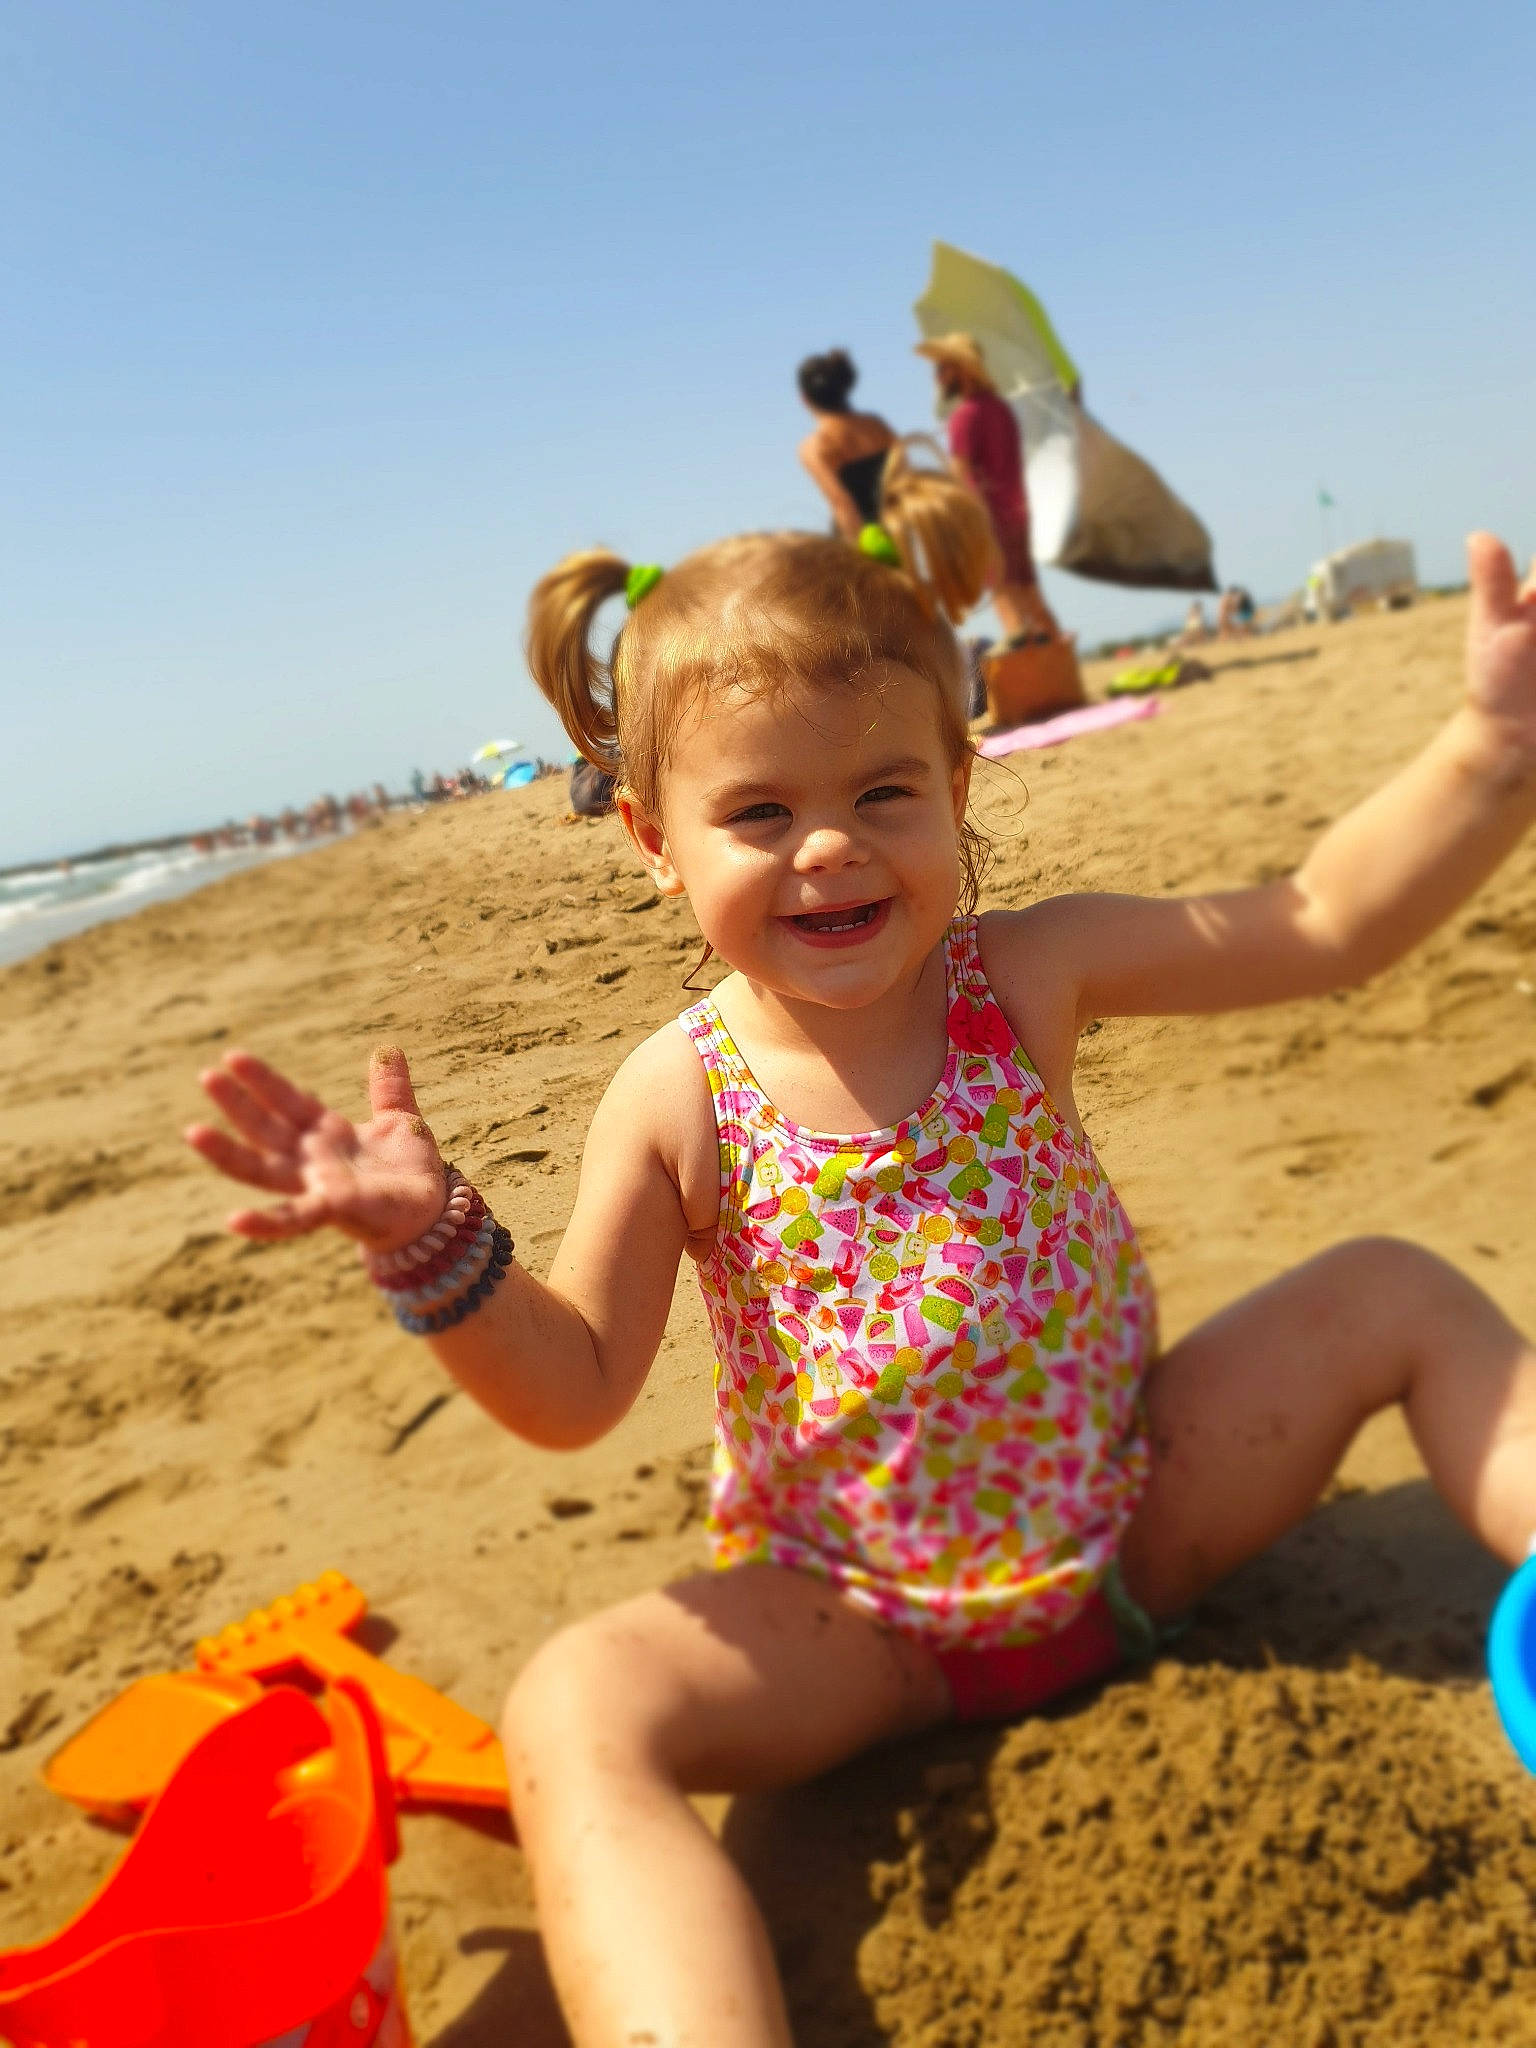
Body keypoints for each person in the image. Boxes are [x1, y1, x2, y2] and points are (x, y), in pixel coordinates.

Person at [184, 468, 1536, 2047]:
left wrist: (1491, 755)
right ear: (653, 839)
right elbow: (576, 1387)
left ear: (958, 785)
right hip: (859, 1623)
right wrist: (434, 1247)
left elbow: (1319, 921)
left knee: (1392, 1290)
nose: (829, 846)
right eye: (759, 813)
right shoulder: (677, 1096)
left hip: (1131, 1510)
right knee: (575, 1707)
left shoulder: (1025, 976)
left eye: (884, 791)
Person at [916, 329, 1061, 646]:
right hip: (1017, 513)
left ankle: (1031, 666)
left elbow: (961, 473)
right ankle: (1058, 662)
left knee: (1005, 601)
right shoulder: (1000, 409)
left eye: (942, 369)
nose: (937, 378)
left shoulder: (965, 417)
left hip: (986, 516)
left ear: (961, 370)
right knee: (1031, 597)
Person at [795, 347, 897, 541]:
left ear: (805, 399)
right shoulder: (876, 424)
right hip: (904, 525)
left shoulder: (814, 447)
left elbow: (842, 506)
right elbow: (906, 474)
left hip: (869, 539)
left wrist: (859, 553)